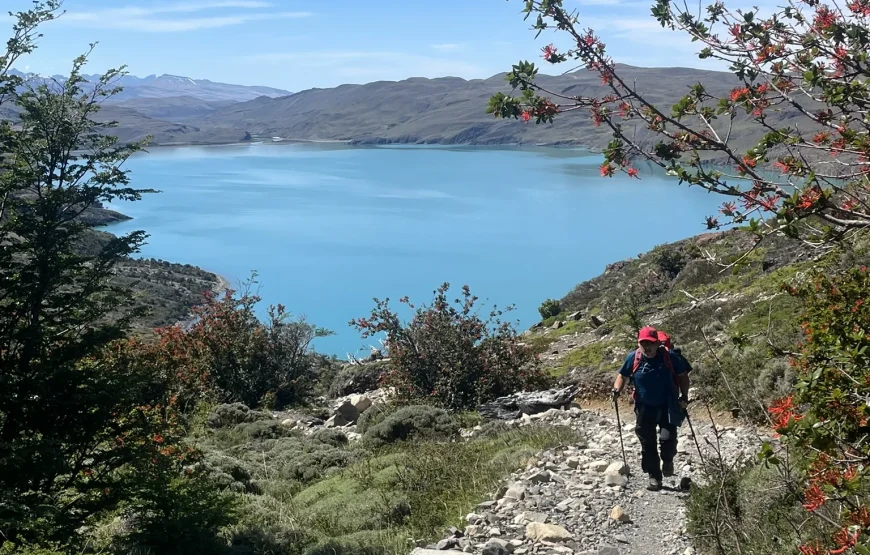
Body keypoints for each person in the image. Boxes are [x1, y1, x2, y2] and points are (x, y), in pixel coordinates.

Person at [611, 326, 691, 491]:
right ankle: (654, 476)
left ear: (657, 344)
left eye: (650, 343)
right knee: (647, 444)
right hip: (644, 407)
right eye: (643, 343)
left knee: (667, 440)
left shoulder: (670, 357)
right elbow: (622, 375)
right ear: (638, 343)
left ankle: (667, 460)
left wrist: (684, 396)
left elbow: (683, 376)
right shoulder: (634, 357)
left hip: (668, 405)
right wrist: (616, 390)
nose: (647, 347)